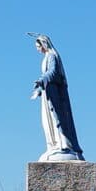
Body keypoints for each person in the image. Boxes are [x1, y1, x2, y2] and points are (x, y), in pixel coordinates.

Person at [29, 34, 84, 162]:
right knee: (47, 122)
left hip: (54, 95)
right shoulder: (46, 57)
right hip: (47, 93)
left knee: (56, 119)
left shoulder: (52, 56)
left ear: (44, 44)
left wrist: (41, 80)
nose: (37, 49)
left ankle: (62, 144)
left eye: (38, 46)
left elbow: (53, 72)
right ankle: (53, 144)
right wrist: (39, 89)